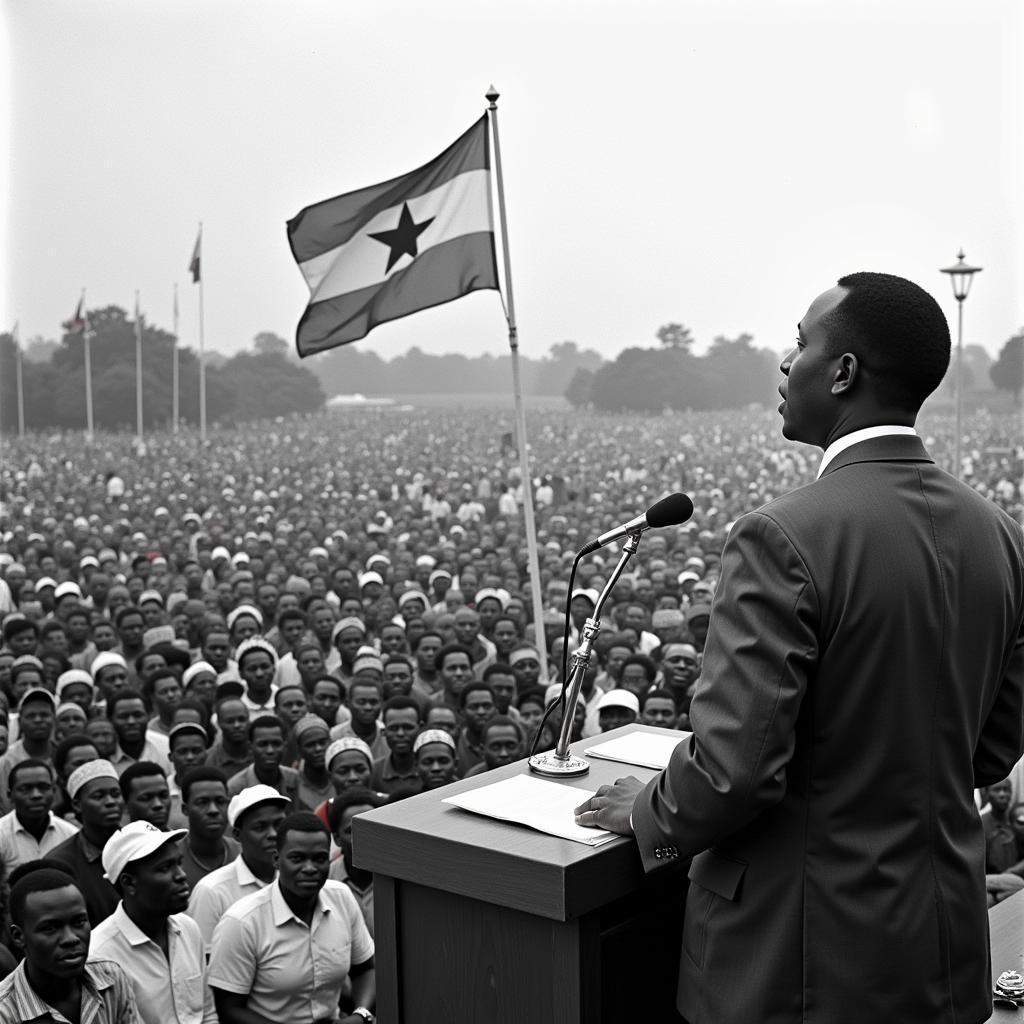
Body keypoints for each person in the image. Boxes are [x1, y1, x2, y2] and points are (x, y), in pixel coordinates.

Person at [574, 272, 1024, 1023]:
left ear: (843, 372)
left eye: (800, 342)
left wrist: (647, 809)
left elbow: (732, 774)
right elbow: (988, 749)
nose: (786, 363)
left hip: (798, 964)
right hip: (940, 948)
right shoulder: (1002, 535)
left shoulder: (783, 536)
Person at [207, 811, 375, 1024]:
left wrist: (361, 1015)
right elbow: (229, 1009)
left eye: (320, 859)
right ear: (277, 860)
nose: (309, 868)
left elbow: (365, 968)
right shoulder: (242, 922)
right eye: (297, 858)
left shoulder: (340, 897)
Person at [90, 820, 215, 1024]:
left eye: (179, 863)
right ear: (129, 882)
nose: (181, 876)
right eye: (165, 868)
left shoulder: (188, 928)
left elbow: (207, 1013)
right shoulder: (100, 957)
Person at [1, 864, 141, 1024]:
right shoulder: (5, 1012)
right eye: (50, 928)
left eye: (79, 922)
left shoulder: (111, 978)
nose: (71, 938)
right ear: (19, 936)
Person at [186, 783, 288, 953]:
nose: (273, 834)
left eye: (279, 825)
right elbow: (204, 959)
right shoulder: (212, 892)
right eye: (260, 827)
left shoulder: (295, 880)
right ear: (237, 835)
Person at [46, 758, 124, 925]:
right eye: (98, 796)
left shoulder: (140, 848)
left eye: (116, 794)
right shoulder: (60, 863)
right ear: (77, 805)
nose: (111, 802)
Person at [0, 758, 79, 876]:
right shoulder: (2, 834)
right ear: (9, 795)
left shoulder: (70, 835)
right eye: (25, 789)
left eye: (43, 787)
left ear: (53, 791)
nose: (36, 795)